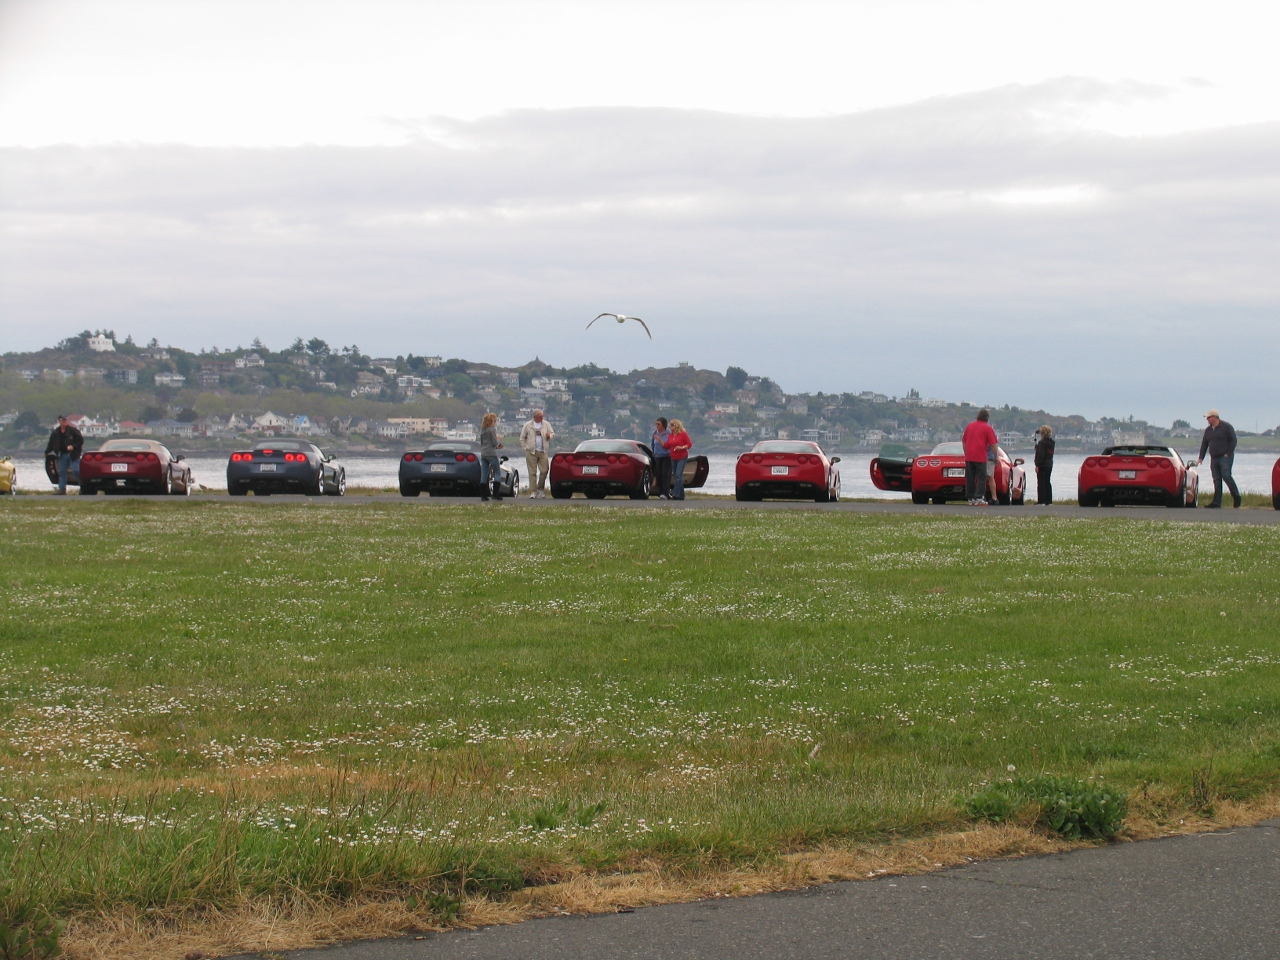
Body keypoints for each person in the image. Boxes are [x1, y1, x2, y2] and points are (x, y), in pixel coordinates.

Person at [1198, 409, 1240, 508]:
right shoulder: (1208, 430)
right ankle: (1217, 502)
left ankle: (1236, 496)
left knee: (1226, 476)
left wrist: (1228, 453)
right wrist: (1201, 457)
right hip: (1214, 457)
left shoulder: (1226, 427)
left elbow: (1233, 440)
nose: (1207, 420)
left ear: (1215, 417)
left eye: (1209, 417)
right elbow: (1204, 444)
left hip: (1224, 457)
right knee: (1216, 479)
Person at [961, 409, 997, 506]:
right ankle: (979, 497)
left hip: (969, 456)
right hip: (980, 456)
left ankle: (970, 497)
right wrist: (996, 456)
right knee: (981, 477)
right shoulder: (988, 428)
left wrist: (966, 452)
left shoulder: (969, 426)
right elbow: (993, 444)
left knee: (970, 478)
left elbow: (964, 441)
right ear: (987, 419)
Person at [45, 414, 84, 495]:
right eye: (63, 420)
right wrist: (47, 452)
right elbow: (51, 443)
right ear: (59, 421)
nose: (64, 422)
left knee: (76, 470)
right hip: (62, 454)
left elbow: (80, 440)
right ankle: (62, 489)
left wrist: (73, 446)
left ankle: (83, 487)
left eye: (66, 420)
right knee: (62, 472)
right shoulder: (55, 433)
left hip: (73, 454)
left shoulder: (73, 431)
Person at [519, 409, 555, 498]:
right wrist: (525, 448)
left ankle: (540, 488)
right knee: (532, 472)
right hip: (531, 452)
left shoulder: (546, 424)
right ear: (535, 417)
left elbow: (552, 433)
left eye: (542, 416)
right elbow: (522, 437)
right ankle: (533, 491)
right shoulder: (528, 425)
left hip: (543, 451)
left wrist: (549, 436)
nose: (542, 417)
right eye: (540, 416)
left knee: (544, 470)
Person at [664, 419, 692, 500]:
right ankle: (681, 495)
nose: (670, 426)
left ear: (676, 426)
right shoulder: (670, 435)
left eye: (672, 425)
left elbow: (689, 444)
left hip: (682, 456)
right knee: (677, 477)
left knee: (678, 475)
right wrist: (660, 442)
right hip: (673, 456)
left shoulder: (683, 434)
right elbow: (668, 445)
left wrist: (681, 447)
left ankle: (675, 494)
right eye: (670, 425)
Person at [478, 413, 504, 502]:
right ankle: (495, 494)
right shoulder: (492, 429)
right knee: (497, 472)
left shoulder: (482, 429)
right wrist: (499, 442)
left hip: (483, 452)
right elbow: (494, 442)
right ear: (492, 421)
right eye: (495, 420)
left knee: (484, 474)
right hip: (491, 453)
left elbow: (482, 442)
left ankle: (483, 495)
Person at [651, 417, 672, 499]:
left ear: (663, 424)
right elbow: (652, 444)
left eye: (658, 424)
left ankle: (665, 493)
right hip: (658, 456)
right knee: (659, 475)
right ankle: (660, 492)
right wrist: (654, 453)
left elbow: (670, 445)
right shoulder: (655, 433)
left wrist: (660, 441)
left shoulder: (668, 433)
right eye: (656, 424)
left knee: (665, 474)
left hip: (667, 456)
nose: (657, 426)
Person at [1034, 425, 1055, 505]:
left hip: (1042, 464)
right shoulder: (1052, 443)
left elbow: (1041, 455)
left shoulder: (1041, 443)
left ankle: (1041, 501)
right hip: (1049, 464)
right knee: (1047, 482)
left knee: (1041, 482)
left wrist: (1037, 465)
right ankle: (1048, 501)